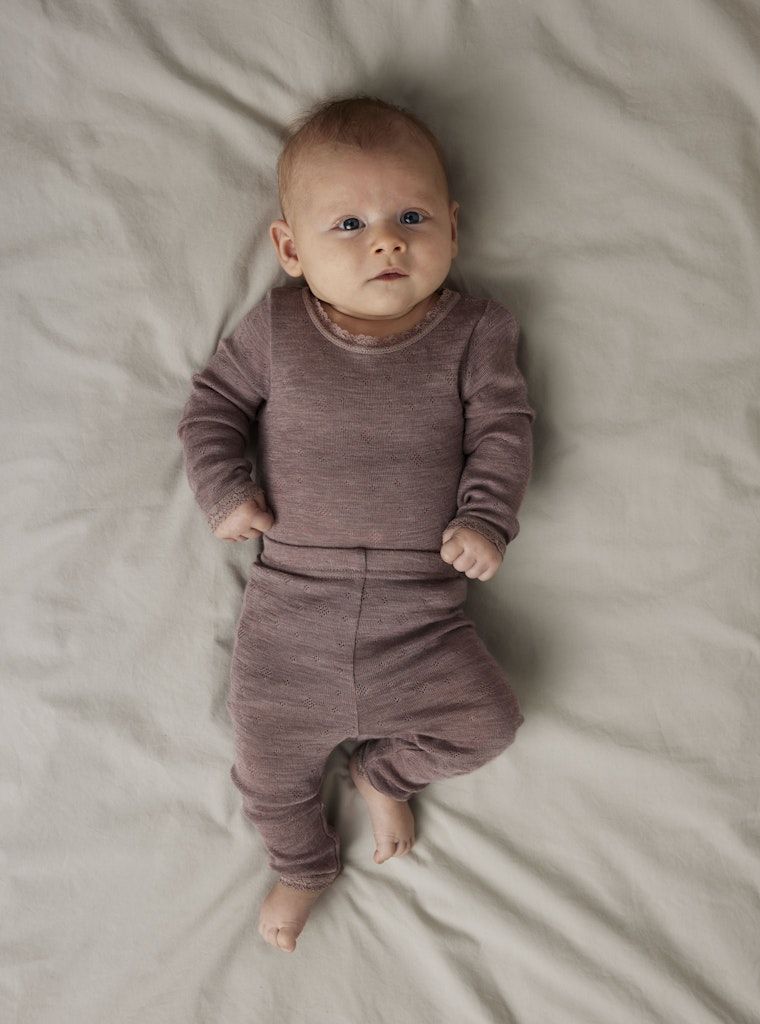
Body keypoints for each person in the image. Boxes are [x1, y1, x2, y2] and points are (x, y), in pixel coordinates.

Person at [176, 94, 536, 953]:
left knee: (489, 725)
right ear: (290, 249)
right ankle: (303, 865)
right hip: (291, 613)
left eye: (412, 217)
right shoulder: (278, 329)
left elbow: (505, 429)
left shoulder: (475, 331)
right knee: (266, 767)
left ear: (453, 227)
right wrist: (226, 492)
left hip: (422, 617)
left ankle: (384, 771)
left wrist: (487, 519)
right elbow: (212, 408)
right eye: (349, 224)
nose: (386, 242)